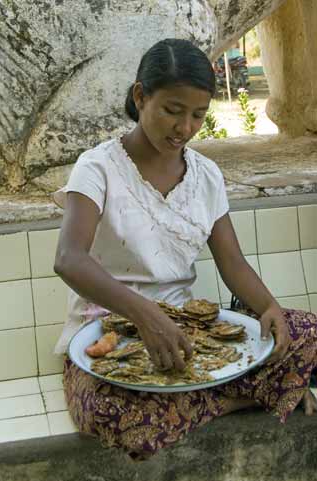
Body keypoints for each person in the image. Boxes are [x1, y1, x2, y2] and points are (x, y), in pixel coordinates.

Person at [53, 38, 317, 459]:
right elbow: (69, 259)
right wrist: (145, 316)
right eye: (172, 111)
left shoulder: (206, 176)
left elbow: (232, 262)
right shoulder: (97, 167)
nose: (185, 128)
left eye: (198, 115)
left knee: (305, 333)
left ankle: (193, 403)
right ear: (141, 97)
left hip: (186, 334)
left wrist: (270, 307)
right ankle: (247, 399)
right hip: (107, 335)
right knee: (111, 412)